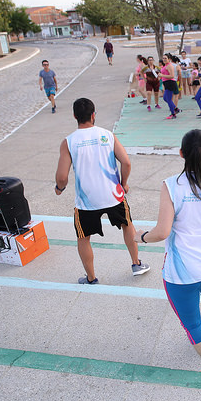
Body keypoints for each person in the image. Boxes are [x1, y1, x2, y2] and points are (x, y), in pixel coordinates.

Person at [135, 129, 201, 373]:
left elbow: (162, 232)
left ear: (181, 154)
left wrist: (140, 237)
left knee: (191, 323)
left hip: (183, 273)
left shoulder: (171, 186)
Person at [55, 98, 150, 285]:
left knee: (83, 238)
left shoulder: (69, 142)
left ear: (74, 116)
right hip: (114, 195)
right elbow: (126, 162)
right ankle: (136, 263)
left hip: (86, 202)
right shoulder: (107, 135)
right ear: (93, 115)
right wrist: (124, 184)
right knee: (127, 225)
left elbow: (62, 177)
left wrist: (59, 188)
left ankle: (91, 278)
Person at [158, 54, 178, 119]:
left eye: (165, 58)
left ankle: (173, 114)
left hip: (170, 83)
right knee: (165, 98)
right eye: (163, 58)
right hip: (166, 83)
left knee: (168, 99)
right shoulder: (165, 65)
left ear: (169, 59)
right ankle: (175, 108)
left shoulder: (169, 66)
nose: (164, 59)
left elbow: (172, 76)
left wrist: (162, 75)